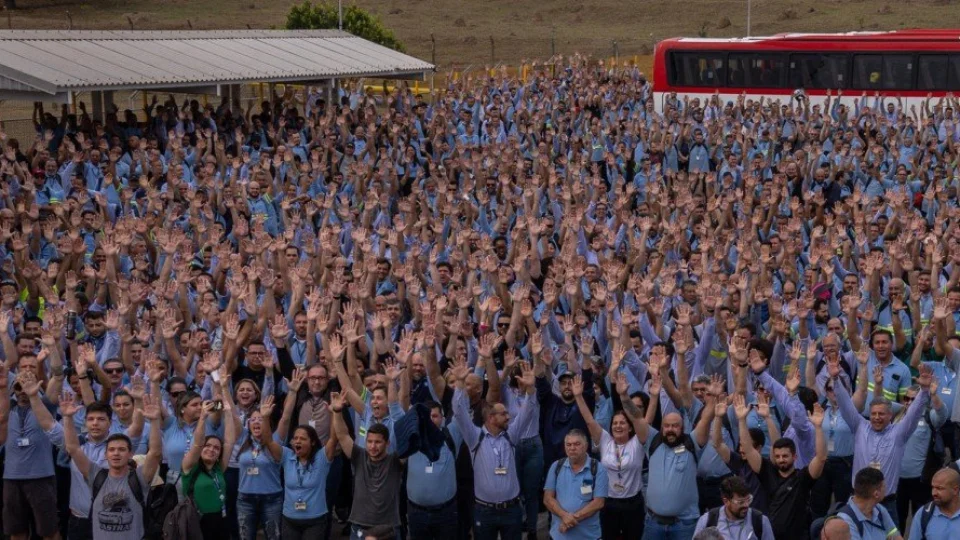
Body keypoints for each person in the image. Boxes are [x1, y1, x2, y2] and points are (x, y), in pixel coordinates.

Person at [827, 356, 934, 526]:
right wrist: (835, 379)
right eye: (874, 413)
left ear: (890, 415)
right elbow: (845, 405)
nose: (877, 417)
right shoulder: (860, 426)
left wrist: (924, 390)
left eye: (881, 414)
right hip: (858, 502)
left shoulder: (900, 432)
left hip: (887, 503)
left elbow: (913, 413)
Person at [452, 358, 538, 540]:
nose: (508, 416)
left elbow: (528, 411)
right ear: (491, 418)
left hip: (512, 510)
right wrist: (460, 383)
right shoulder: (475, 437)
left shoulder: (511, 435)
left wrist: (531, 389)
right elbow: (459, 412)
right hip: (484, 511)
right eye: (504, 413)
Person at [59, 391, 163, 540]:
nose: (116, 453)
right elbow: (73, 448)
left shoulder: (139, 478)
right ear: (105, 455)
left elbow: (155, 453)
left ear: (130, 453)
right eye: (112, 450)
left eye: (121, 450)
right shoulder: (95, 475)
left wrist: (154, 421)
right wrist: (68, 417)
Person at [732, 393, 827, 540]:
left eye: (785, 456)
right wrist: (742, 420)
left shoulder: (802, 477)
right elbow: (749, 449)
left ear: (794, 457)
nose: (781, 460)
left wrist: (819, 428)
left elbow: (821, 458)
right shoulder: (767, 473)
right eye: (777, 456)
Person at [573, 370, 655, 539]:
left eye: (622, 423)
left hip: (633, 504)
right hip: (609, 503)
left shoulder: (638, 442)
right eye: (615, 423)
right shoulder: (605, 440)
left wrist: (624, 396)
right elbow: (589, 420)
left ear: (630, 427)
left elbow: (642, 420)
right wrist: (579, 397)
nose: (618, 426)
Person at [332, 387, 404, 539]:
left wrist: (393, 382)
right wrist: (337, 412)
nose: (372, 446)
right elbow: (342, 435)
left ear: (387, 443)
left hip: (388, 527)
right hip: (359, 525)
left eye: (378, 442)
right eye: (369, 441)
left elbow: (404, 433)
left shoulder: (395, 461)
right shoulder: (359, 456)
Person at [180, 369, 238, 540]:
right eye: (208, 446)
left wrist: (227, 411)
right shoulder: (190, 466)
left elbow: (229, 442)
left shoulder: (219, 468)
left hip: (220, 519)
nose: (212, 449)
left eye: (216, 448)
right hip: (197, 520)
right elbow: (198, 443)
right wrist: (203, 419)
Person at [543, 429, 608, 540]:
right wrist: (564, 516)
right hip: (559, 536)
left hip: (588, 537)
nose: (572, 448)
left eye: (577, 444)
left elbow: (598, 503)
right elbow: (547, 499)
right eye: (568, 444)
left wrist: (570, 520)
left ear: (586, 446)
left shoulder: (597, 468)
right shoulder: (556, 466)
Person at [693, 476, 774, 540]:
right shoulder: (707, 521)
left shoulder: (760, 521)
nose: (746, 505)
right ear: (726, 501)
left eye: (748, 500)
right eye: (740, 502)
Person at [834, 468, 902, 540]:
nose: (886, 489)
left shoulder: (879, 509)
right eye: (884, 486)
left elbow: (895, 536)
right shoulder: (845, 521)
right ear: (876, 494)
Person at [908, 468, 960, 539]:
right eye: (933, 487)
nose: (934, 493)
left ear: (955, 490)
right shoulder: (924, 514)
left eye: (940, 488)